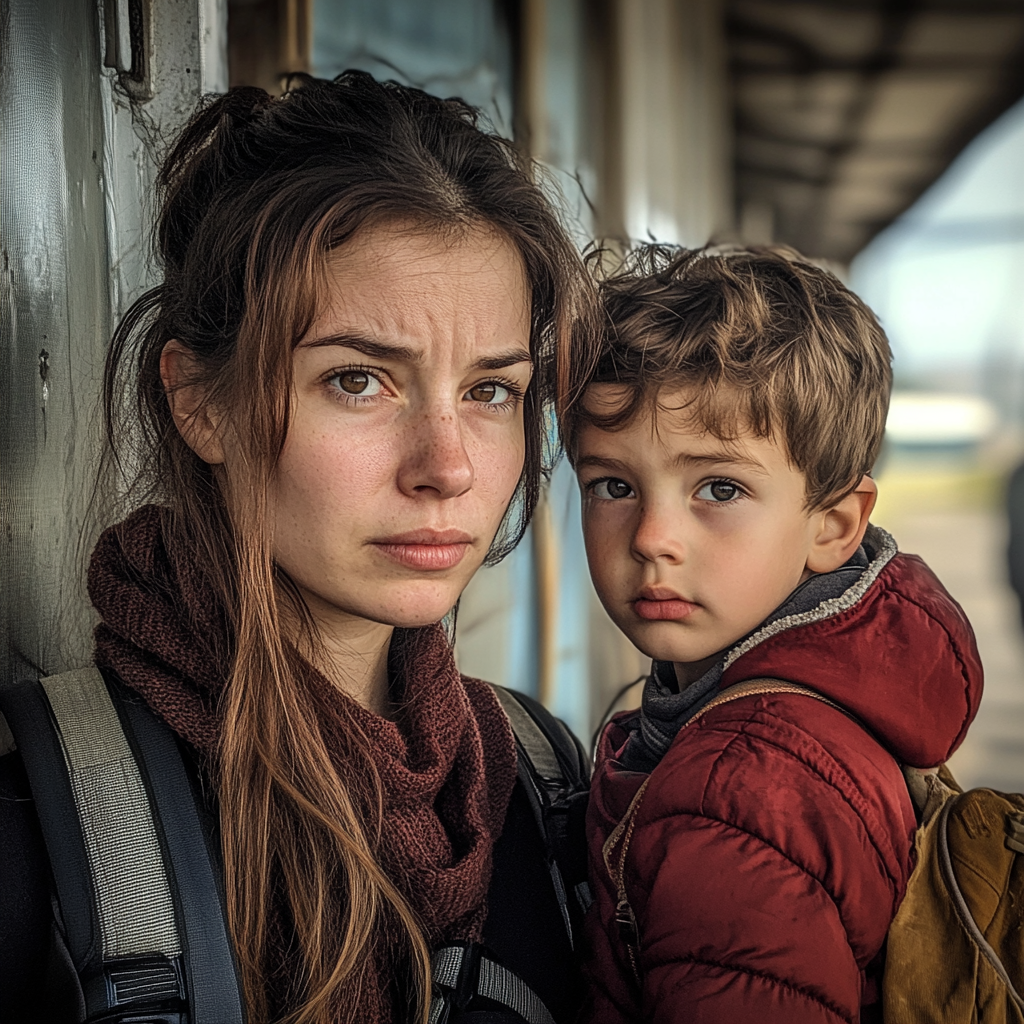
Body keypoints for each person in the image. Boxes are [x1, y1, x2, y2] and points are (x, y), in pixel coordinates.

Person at [0, 72, 597, 1024]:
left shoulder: (538, 781)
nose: (446, 467)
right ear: (201, 402)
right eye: (359, 381)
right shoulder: (46, 825)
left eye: (492, 391)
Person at [564, 245, 984, 1023]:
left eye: (719, 488)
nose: (653, 536)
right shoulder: (808, 708)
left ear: (833, 526)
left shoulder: (743, 787)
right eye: (612, 486)